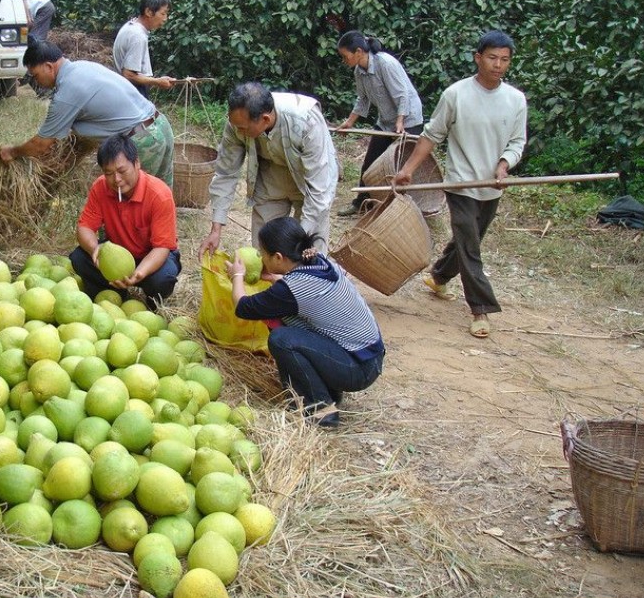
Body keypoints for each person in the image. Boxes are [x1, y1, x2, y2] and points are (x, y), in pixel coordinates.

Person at [392, 30, 527, 340]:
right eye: (492, 58)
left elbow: (518, 141)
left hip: (491, 185)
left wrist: (504, 165)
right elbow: (432, 135)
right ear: (478, 58)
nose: (498, 65)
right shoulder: (456, 94)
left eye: (504, 60)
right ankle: (481, 309)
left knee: (471, 238)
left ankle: (439, 276)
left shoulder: (515, 100)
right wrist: (408, 169)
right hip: (460, 183)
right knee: (470, 244)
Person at [227, 216, 384, 427]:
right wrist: (277, 278)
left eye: (263, 254)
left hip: (359, 369)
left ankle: (321, 412)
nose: (261, 259)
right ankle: (328, 394)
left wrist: (237, 276)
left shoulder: (292, 289)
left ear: (279, 257)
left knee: (282, 339)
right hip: (366, 357)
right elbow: (305, 294)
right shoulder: (317, 261)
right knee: (292, 331)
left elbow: (243, 307)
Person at [0, 38, 175, 187]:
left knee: (135, 205)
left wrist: (13, 152)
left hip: (142, 142)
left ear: (48, 66)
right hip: (161, 126)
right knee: (162, 195)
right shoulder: (83, 67)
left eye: (35, 75)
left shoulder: (67, 92)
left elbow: (41, 144)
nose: (36, 81)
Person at [198, 82, 338, 260]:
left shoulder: (306, 121)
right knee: (263, 252)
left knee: (308, 255)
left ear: (265, 119)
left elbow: (319, 190)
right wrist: (216, 229)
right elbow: (226, 172)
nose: (238, 131)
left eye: (243, 128)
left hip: (310, 180)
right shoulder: (237, 123)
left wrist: (297, 241)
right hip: (270, 175)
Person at [69, 134, 181, 311]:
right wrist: (95, 249)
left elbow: (162, 247)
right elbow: (85, 227)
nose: (117, 180)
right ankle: (113, 295)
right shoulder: (101, 187)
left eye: (122, 171)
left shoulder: (159, 195)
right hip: (117, 252)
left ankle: (153, 305)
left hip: (151, 254)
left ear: (136, 163)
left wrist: (139, 273)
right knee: (79, 258)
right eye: (109, 174)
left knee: (163, 279)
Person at [333, 30, 425, 216]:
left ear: (358, 51)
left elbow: (402, 94)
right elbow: (362, 99)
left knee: (400, 166)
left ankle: (401, 210)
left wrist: (401, 122)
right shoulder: (359, 71)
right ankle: (361, 203)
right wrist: (349, 123)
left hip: (408, 120)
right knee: (370, 163)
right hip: (385, 121)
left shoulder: (386, 63)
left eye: (345, 56)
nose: (344, 60)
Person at [112, 0, 178, 98]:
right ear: (148, 12)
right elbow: (129, 75)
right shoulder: (138, 35)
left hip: (125, 91)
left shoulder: (131, 25)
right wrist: (157, 82)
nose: (165, 19)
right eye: (163, 13)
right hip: (132, 93)